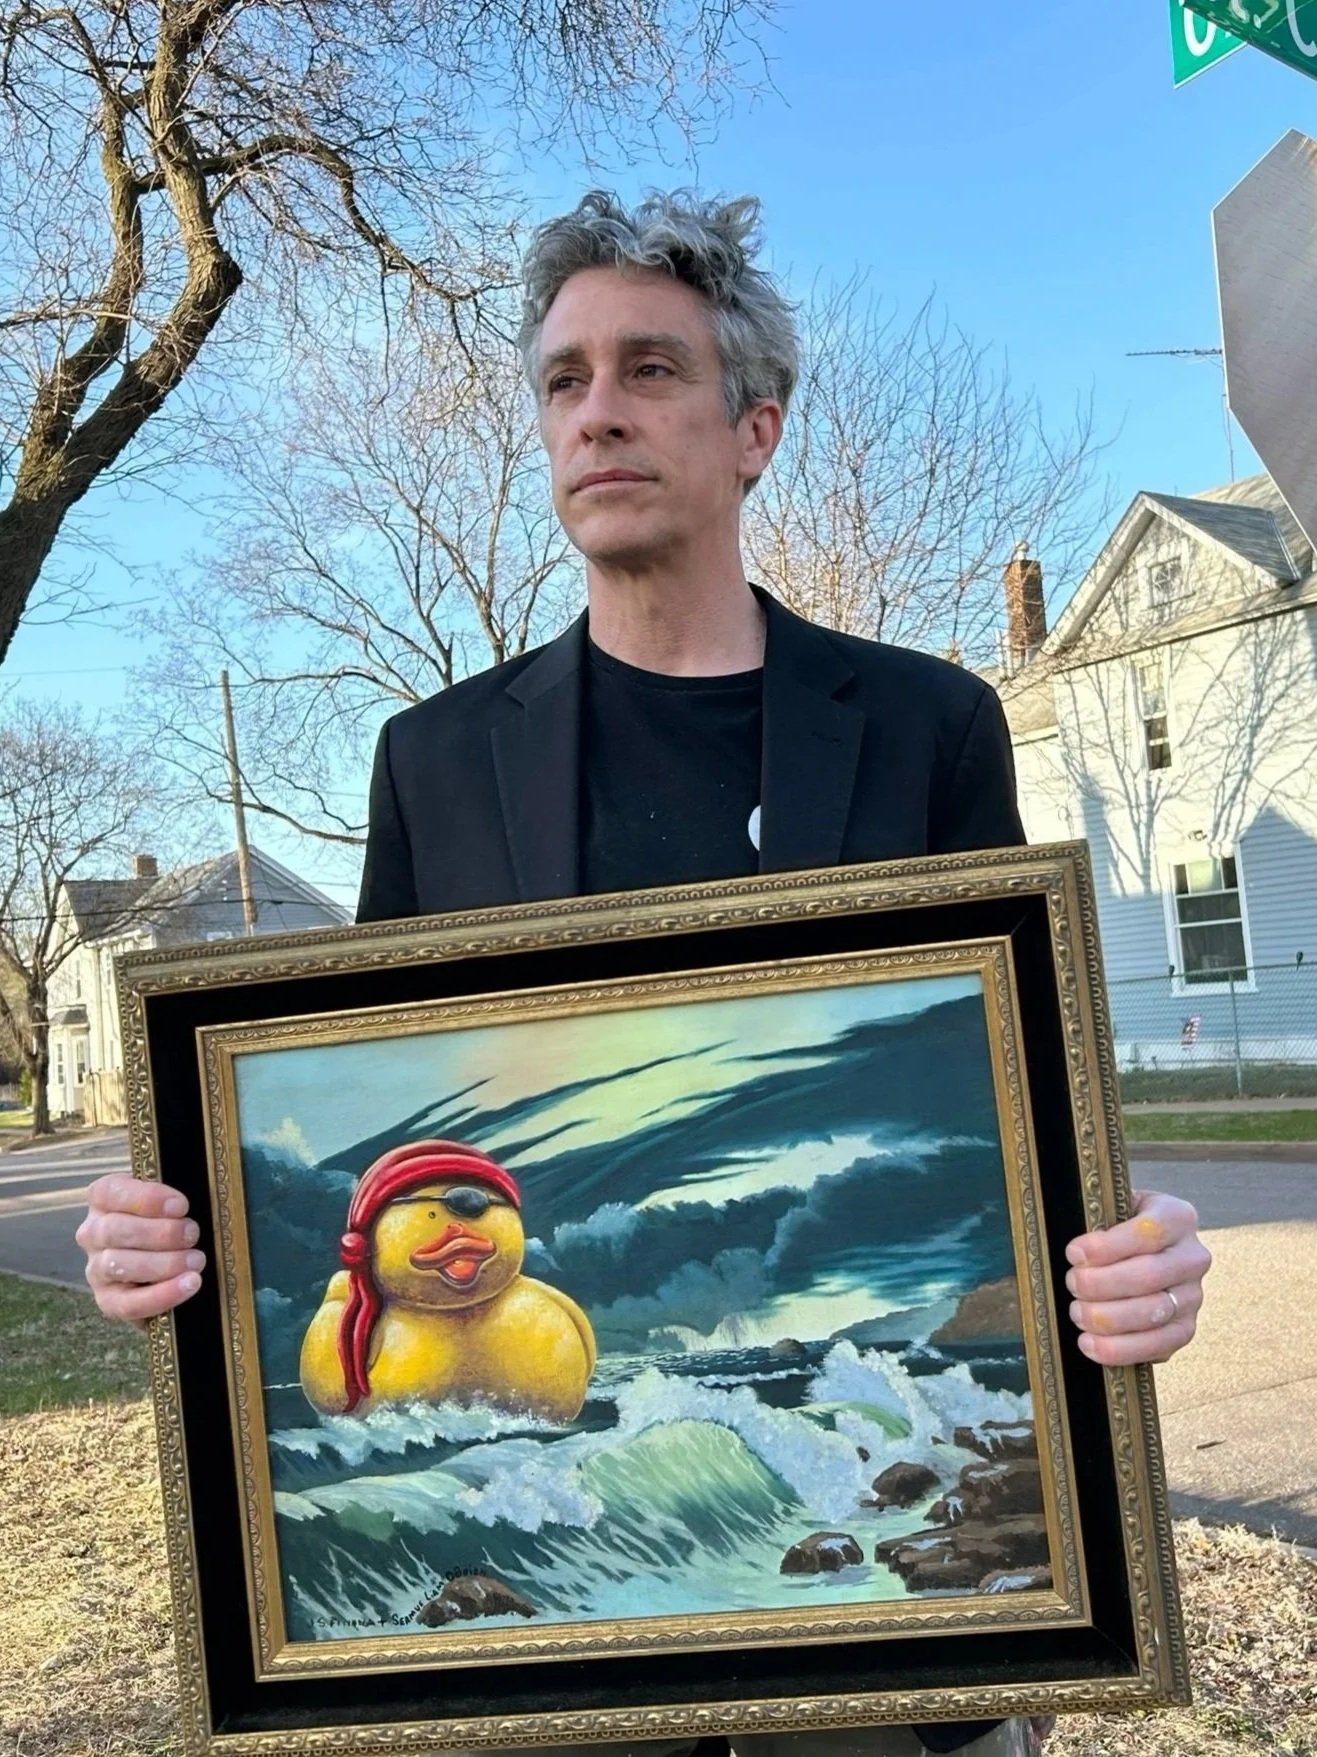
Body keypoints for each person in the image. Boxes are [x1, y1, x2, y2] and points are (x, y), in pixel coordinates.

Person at [77, 191, 1211, 1757]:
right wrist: (181, 1247)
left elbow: (1014, 1122)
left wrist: (1120, 1264)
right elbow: (366, 1116)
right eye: (562, 380)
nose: (595, 411)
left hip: (896, 1676)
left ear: (754, 428)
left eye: (648, 370)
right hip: (555, 1684)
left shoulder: (925, 724)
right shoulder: (435, 763)